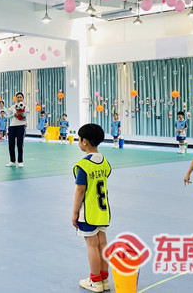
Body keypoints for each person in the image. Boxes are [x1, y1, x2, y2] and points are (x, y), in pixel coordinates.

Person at [72, 124, 111, 292]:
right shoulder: (105, 162)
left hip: (88, 212)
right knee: (102, 244)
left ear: (85, 141)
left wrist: (75, 212)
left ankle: (95, 281)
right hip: (103, 211)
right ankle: (104, 279)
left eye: (79, 139)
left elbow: (80, 190)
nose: (79, 142)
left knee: (92, 245)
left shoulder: (83, 165)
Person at [6, 92, 28, 168]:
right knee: (11, 144)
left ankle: (20, 161)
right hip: (12, 126)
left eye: (20, 97)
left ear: (23, 98)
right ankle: (12, 161)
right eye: (18, 97)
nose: (19, 98)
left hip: (21, 126)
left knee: (20, 144)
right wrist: (14, 115)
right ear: (15, 98)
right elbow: (7, 117)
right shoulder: (12, 107)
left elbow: (25, 117)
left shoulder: (25, 107)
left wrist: (22, 114)